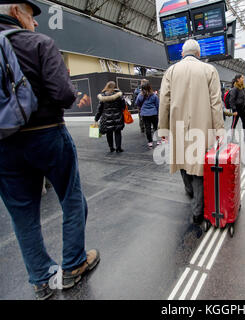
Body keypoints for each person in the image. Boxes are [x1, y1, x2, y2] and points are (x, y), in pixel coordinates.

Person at [0, 1, 99, 300]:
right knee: (71, 199)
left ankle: (42, 279)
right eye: (32, 16)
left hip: (3, 145)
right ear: (16, 11)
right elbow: (64, 94)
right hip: (46, 134)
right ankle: (72, 265)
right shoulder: (38, 44)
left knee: (22, 215)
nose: (37, 23)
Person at [158, 39, 225, 225]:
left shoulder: (171, 71)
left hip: (178, 125)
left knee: (182, 159)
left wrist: (163, 128)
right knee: (197, 167)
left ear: (182, 54)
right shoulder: (209, 70)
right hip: (201, 125)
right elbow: (216, 103)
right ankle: (197, 210)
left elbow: (164, 101)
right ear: (198, 54)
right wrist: (219, 129)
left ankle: (190, 192)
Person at [95, 81, 126, 153]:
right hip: (118, 116)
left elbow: (99, 109)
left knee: (109, 133)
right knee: (117, 132)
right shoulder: (119, 95)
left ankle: (111, 147)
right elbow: (123, 106)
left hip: (106, 117)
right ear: (114, 86)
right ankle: (118, 148)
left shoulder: (102, 96)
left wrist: (96, 118)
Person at [230, 75, 245, 143]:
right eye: (242, 78)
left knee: (244, 123)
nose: (243, 79)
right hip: (236, 110)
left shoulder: (242, 88)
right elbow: (231, 100)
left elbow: (244, 98)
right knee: (234, 124)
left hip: (242, 109)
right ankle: (232, 138)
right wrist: (234, 109)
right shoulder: (235, 89)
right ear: (238, 79)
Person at [136, 81, 160, 148]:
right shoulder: (154, 95)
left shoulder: (140, 95)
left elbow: (137, 103)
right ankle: (158, 140)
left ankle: (150, 142)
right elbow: (157, 105)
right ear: (150, 87)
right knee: (156, 127)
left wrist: (142, 109)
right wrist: (158, 113)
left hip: (145, 114)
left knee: (147, 128)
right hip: (154, 114)